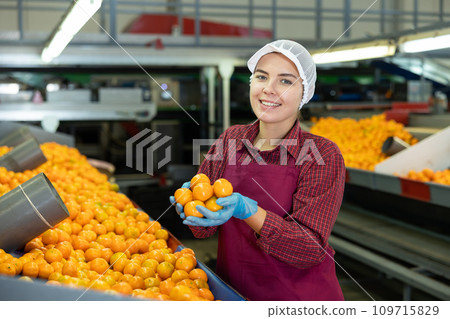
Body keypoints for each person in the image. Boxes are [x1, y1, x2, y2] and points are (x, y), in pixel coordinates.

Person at [170, 39, 346, 301]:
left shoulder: (321, 154)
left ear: (304, 92)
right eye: (262, 77)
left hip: (297, 298)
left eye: (285, 81)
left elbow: (308, 249)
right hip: (233, 291)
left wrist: (249, 211)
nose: (269, 89)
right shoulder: (231, 139)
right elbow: (203, 231)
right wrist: (193, 208)